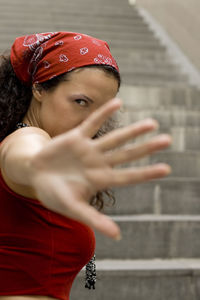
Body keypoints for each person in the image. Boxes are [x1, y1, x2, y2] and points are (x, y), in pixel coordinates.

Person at [0, 31, 171, 300]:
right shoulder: (27, 138)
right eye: (81, 102)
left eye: (103, 110)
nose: (91, 121)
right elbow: (26, 158)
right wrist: (39, 166)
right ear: (39, 88)